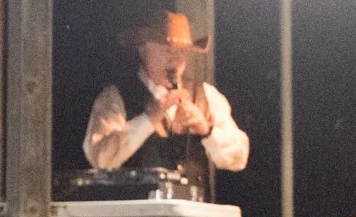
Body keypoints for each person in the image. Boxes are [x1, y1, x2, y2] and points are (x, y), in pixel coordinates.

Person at [82, 10, 249, 190]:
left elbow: (239, 159)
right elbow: (100, 158)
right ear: (144, 50)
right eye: (167, 50)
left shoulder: (207, 95)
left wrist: (207, 131)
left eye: (182, 52)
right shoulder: (115, 97)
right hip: (136, 213)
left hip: (193, 214)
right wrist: (148, 119)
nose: (176, 60)